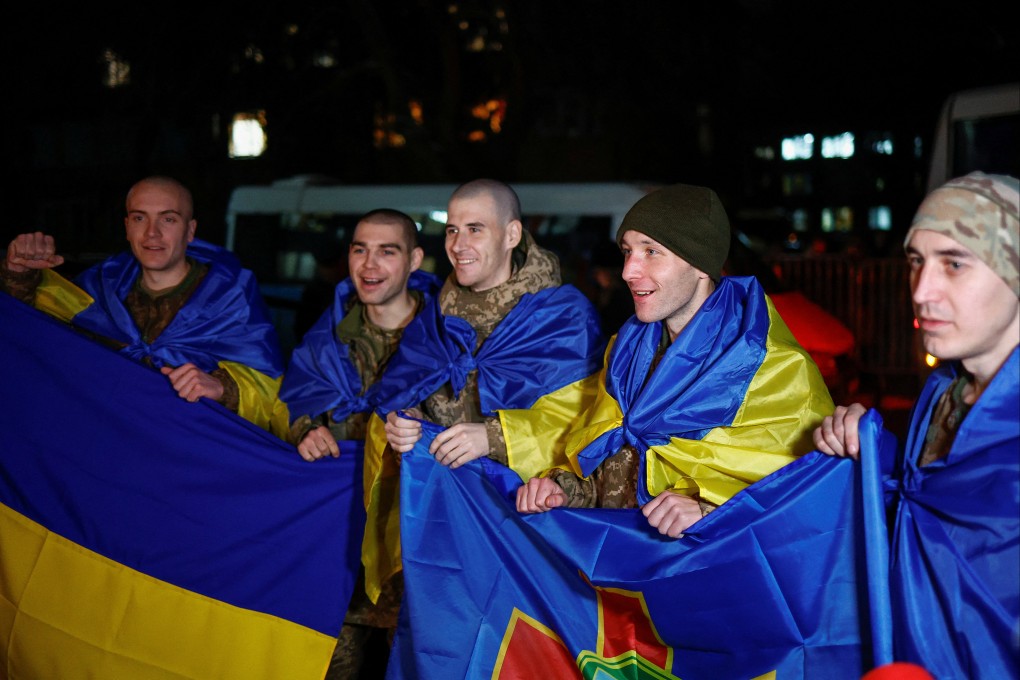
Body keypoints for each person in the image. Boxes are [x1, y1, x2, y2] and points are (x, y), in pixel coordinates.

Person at [516, 183, 833, 537]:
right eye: (627, 251)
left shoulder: (776, 370)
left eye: (651, 251)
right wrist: (562, 489)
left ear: (700, 264)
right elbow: (607, 460)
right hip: (621, 576)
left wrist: (711, 513)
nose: (628, 272)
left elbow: (809, 504)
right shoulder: (626, 351)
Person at [813, 171, 1019, 678]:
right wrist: (869, 452)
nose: (923, 290)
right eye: (915, 263)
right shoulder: (942, 393)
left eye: (954, 264)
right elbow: (925, 511)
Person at [366, 178, 605, 601]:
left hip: (520, 533)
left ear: (512, 234)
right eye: (452, 230)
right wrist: (405, 423)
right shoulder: (436, 312)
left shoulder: (562, 316)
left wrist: (494, 436)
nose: (458, 244)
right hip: (438, 528)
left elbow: (585, 424)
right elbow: (404, 391)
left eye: (475, 228)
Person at [278, 208, 442, 679]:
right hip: (340, 557)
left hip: (416, 563)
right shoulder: (327, 336)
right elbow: (290, 400)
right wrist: (304, 428)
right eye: (359, 249)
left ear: (414, 261)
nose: (369, 265)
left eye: (386, 252)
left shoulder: (445, 339)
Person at [0, 175, 286, 434]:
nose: (152, 233)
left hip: (195, 463)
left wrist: (223, 387)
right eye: (139, 218)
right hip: (110, 457)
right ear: (127, 227)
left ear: (190, 230)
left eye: (168, 219)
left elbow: (276, 394)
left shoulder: (230, 299)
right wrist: (20, 272)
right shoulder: (95, 291)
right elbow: (31, 343)